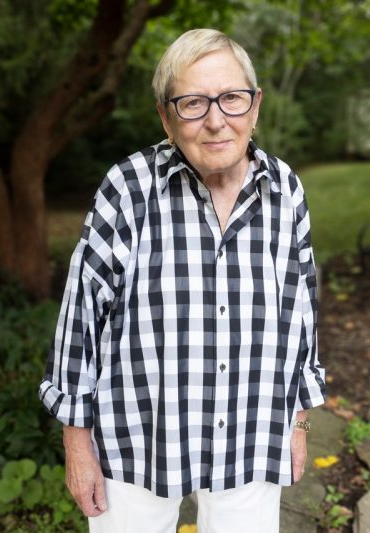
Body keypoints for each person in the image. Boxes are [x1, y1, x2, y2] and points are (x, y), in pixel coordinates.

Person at [39, 28, 326, 533]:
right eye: (192, 103)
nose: (216, 120)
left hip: (252, 433)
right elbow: (80, 320)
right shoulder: (129, 187)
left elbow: (301, 316)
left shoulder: (286, 190)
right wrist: (77, 444)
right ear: (167, 119)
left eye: (232, 99)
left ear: (255, 107)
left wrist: (299, 424)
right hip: (139, 440)